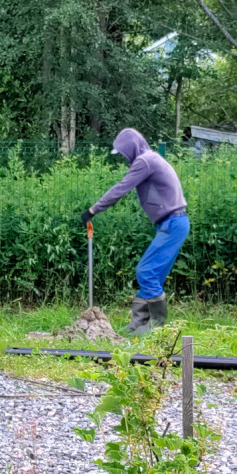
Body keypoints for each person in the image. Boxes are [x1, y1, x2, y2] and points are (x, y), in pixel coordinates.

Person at [80, 128, 190, 336]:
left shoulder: (144, 161)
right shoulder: (150, 158)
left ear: (131, 148)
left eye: (123, 153)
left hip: (173, 223)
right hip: (173, 223)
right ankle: (138, 324)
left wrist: (93, 210)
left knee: (146, 271)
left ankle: (156, 325)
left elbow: (122, 188)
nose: (123, 158)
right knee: (153, 275)